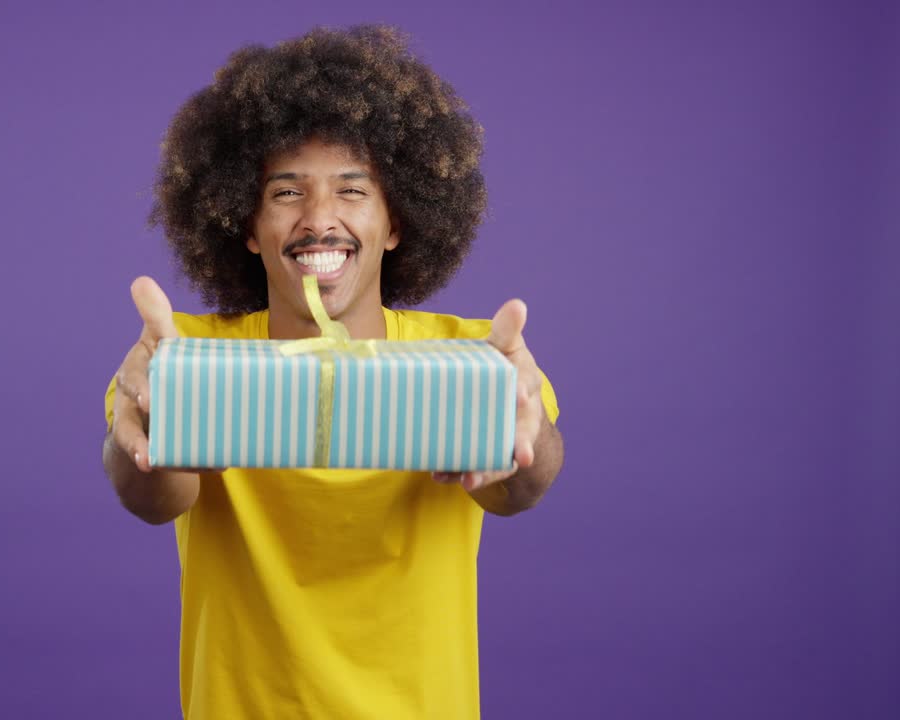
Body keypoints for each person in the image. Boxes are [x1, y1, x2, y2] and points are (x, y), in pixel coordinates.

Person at [103, 25, 564, 719]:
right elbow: (152, 494)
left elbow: (521, 484)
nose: (320, 220)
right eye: (286, 193)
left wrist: (517, 436)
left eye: (353, 191)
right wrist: (147, 423)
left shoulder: (471, 359)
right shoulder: (188, 357)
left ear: (396, 221)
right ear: (249, 227)